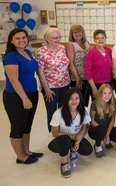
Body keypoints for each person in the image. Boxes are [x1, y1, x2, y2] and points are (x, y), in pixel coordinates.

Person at [3, 28, 42, 164]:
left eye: (24, 37)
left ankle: (27, 151)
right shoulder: (10, 57)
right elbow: (14, 80)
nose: (21, 40)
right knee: (18, 126)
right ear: (11, 41)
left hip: (32, 93)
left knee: (27, 125)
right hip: (16, 96)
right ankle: (21, 156)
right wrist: (24, 98)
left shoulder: (26, 52)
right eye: (18, 38)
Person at [48, 88, 92, 178]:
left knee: (87, 150)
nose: (74, 101)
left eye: (77, 98)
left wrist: (78, 139)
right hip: (59, 140)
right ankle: (64, 164)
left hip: (75, 137)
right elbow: (54, 132)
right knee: (64, 139)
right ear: (67, 99)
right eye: (71, 98)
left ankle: (72, 149)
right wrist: (72, 137)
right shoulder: (59, 113)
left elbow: (84, 127)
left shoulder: (84, 110)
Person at [36, 28, 70, 132]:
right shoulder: (41, 52)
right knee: (52, 112)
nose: (58, 39)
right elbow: (40, 72)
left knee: (63, 110)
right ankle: (52, 136)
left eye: (59, 37)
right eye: (54, 38)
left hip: (65, 85)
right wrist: (47, 89)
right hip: (50, 88)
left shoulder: (62, 48)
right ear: (46, 38)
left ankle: (62, 133)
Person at [88, 84, 116, 157]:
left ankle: (105, 138)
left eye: (109, 93)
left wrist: (107, 134)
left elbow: (112, 120)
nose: (107, 96)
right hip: (95, 128)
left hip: (107, 127)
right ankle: (97, 145)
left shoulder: (114, 101)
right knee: (102, 130)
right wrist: (102, 132)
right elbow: (91, 120)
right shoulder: (95, 103)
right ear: (100, 93)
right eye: (104, 93)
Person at [66, 25, 90, 107]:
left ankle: (84, 119)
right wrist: (77, 78)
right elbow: (71, 64)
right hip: (77, 78)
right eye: (75, 32)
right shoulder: (71, 44)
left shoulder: (86, 43)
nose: (77, 34)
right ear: (71, 34)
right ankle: (78, 119)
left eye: (79, 32)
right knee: (78, 102)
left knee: (85, 101)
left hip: (87, 77)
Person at [85, 29, 112, 99]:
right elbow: (87, 71)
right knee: (98, 107)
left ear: (106, 38)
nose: (100, 40)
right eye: (98, 38)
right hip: (96, 84)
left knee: (108, 106)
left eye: (102, 37)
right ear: (94, 40)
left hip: (108, 83)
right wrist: (93, 88)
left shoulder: (109, 50)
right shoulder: (91, 52)